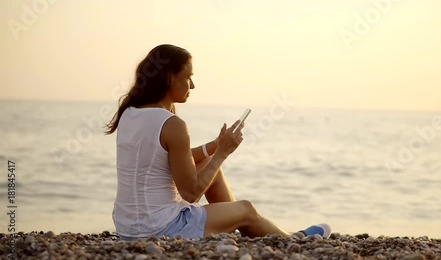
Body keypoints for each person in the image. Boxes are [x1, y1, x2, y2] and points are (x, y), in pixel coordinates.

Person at [105, 44, 331, 240]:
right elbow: (190, 194)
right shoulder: (172, 124)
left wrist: (214, 146)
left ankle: (233, 223)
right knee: (246, 208)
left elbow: (166, 158)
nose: (192, 85)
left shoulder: (129, 114)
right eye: (188, 77)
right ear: (169, 77)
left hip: (128, 228)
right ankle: (293, 239)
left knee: (214, 170)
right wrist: (223, 153)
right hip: (161, 229)